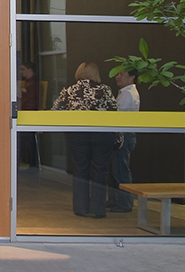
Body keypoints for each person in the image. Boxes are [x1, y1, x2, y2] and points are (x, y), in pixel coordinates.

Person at [51, 61, 118, 218]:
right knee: (100, 170)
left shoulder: (70, 90)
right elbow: (115, 112)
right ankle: (98, 209)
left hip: (78, 134)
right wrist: (119, 136)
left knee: (80, 169)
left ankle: (80, 207)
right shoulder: (104, 90)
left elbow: (55, 110)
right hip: (102, 134)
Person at [109, 67, 140, 212]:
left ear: (132, 77)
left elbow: (117, 115)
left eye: (122, 74)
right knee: (118, 170)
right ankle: (116, 201)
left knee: (121, 171)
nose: (117, 77)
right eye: (117, 74)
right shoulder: (124, 93)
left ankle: (125, 203)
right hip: (123, 135)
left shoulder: (128, 94)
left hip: (124, 136)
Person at [18, 61, 40, 168]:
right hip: (27, 114)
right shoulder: (28, 84)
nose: (21, 72)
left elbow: (31, 102)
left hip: (29, 115)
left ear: (29, 70)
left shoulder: (33, 85)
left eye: (23, 69)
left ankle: (30, 162)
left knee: (27, 139)